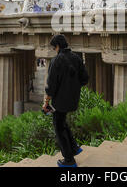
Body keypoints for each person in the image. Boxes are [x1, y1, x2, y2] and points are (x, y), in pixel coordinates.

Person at [43, 34, 88, 167]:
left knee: (58, 126)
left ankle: (69, 160)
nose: (54, 50)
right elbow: (85, 79)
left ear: (57, 46)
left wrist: (46, 103)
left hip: (60, 102)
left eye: (54, 48)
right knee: (62, 122)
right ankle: (74, 148)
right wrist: (72, 87)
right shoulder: (77, 58)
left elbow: (51, 86)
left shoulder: (56, 61)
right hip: (73, 100)